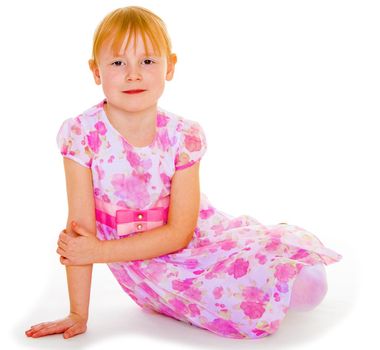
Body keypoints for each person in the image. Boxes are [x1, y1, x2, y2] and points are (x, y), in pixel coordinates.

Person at [25, 5, 342, 340]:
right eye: (118, 63)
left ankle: (274, 277)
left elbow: (180, 232)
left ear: (169, 66)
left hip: (193, 239)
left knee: (304, 278)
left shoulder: (183, 136)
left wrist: (99, 252)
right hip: (150, 267)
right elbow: (80, 236)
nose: (133, 74)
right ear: (96, 71)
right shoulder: (83, 136)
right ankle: (263, 291)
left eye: (147, 61)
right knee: (250, 290)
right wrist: (78, 313)